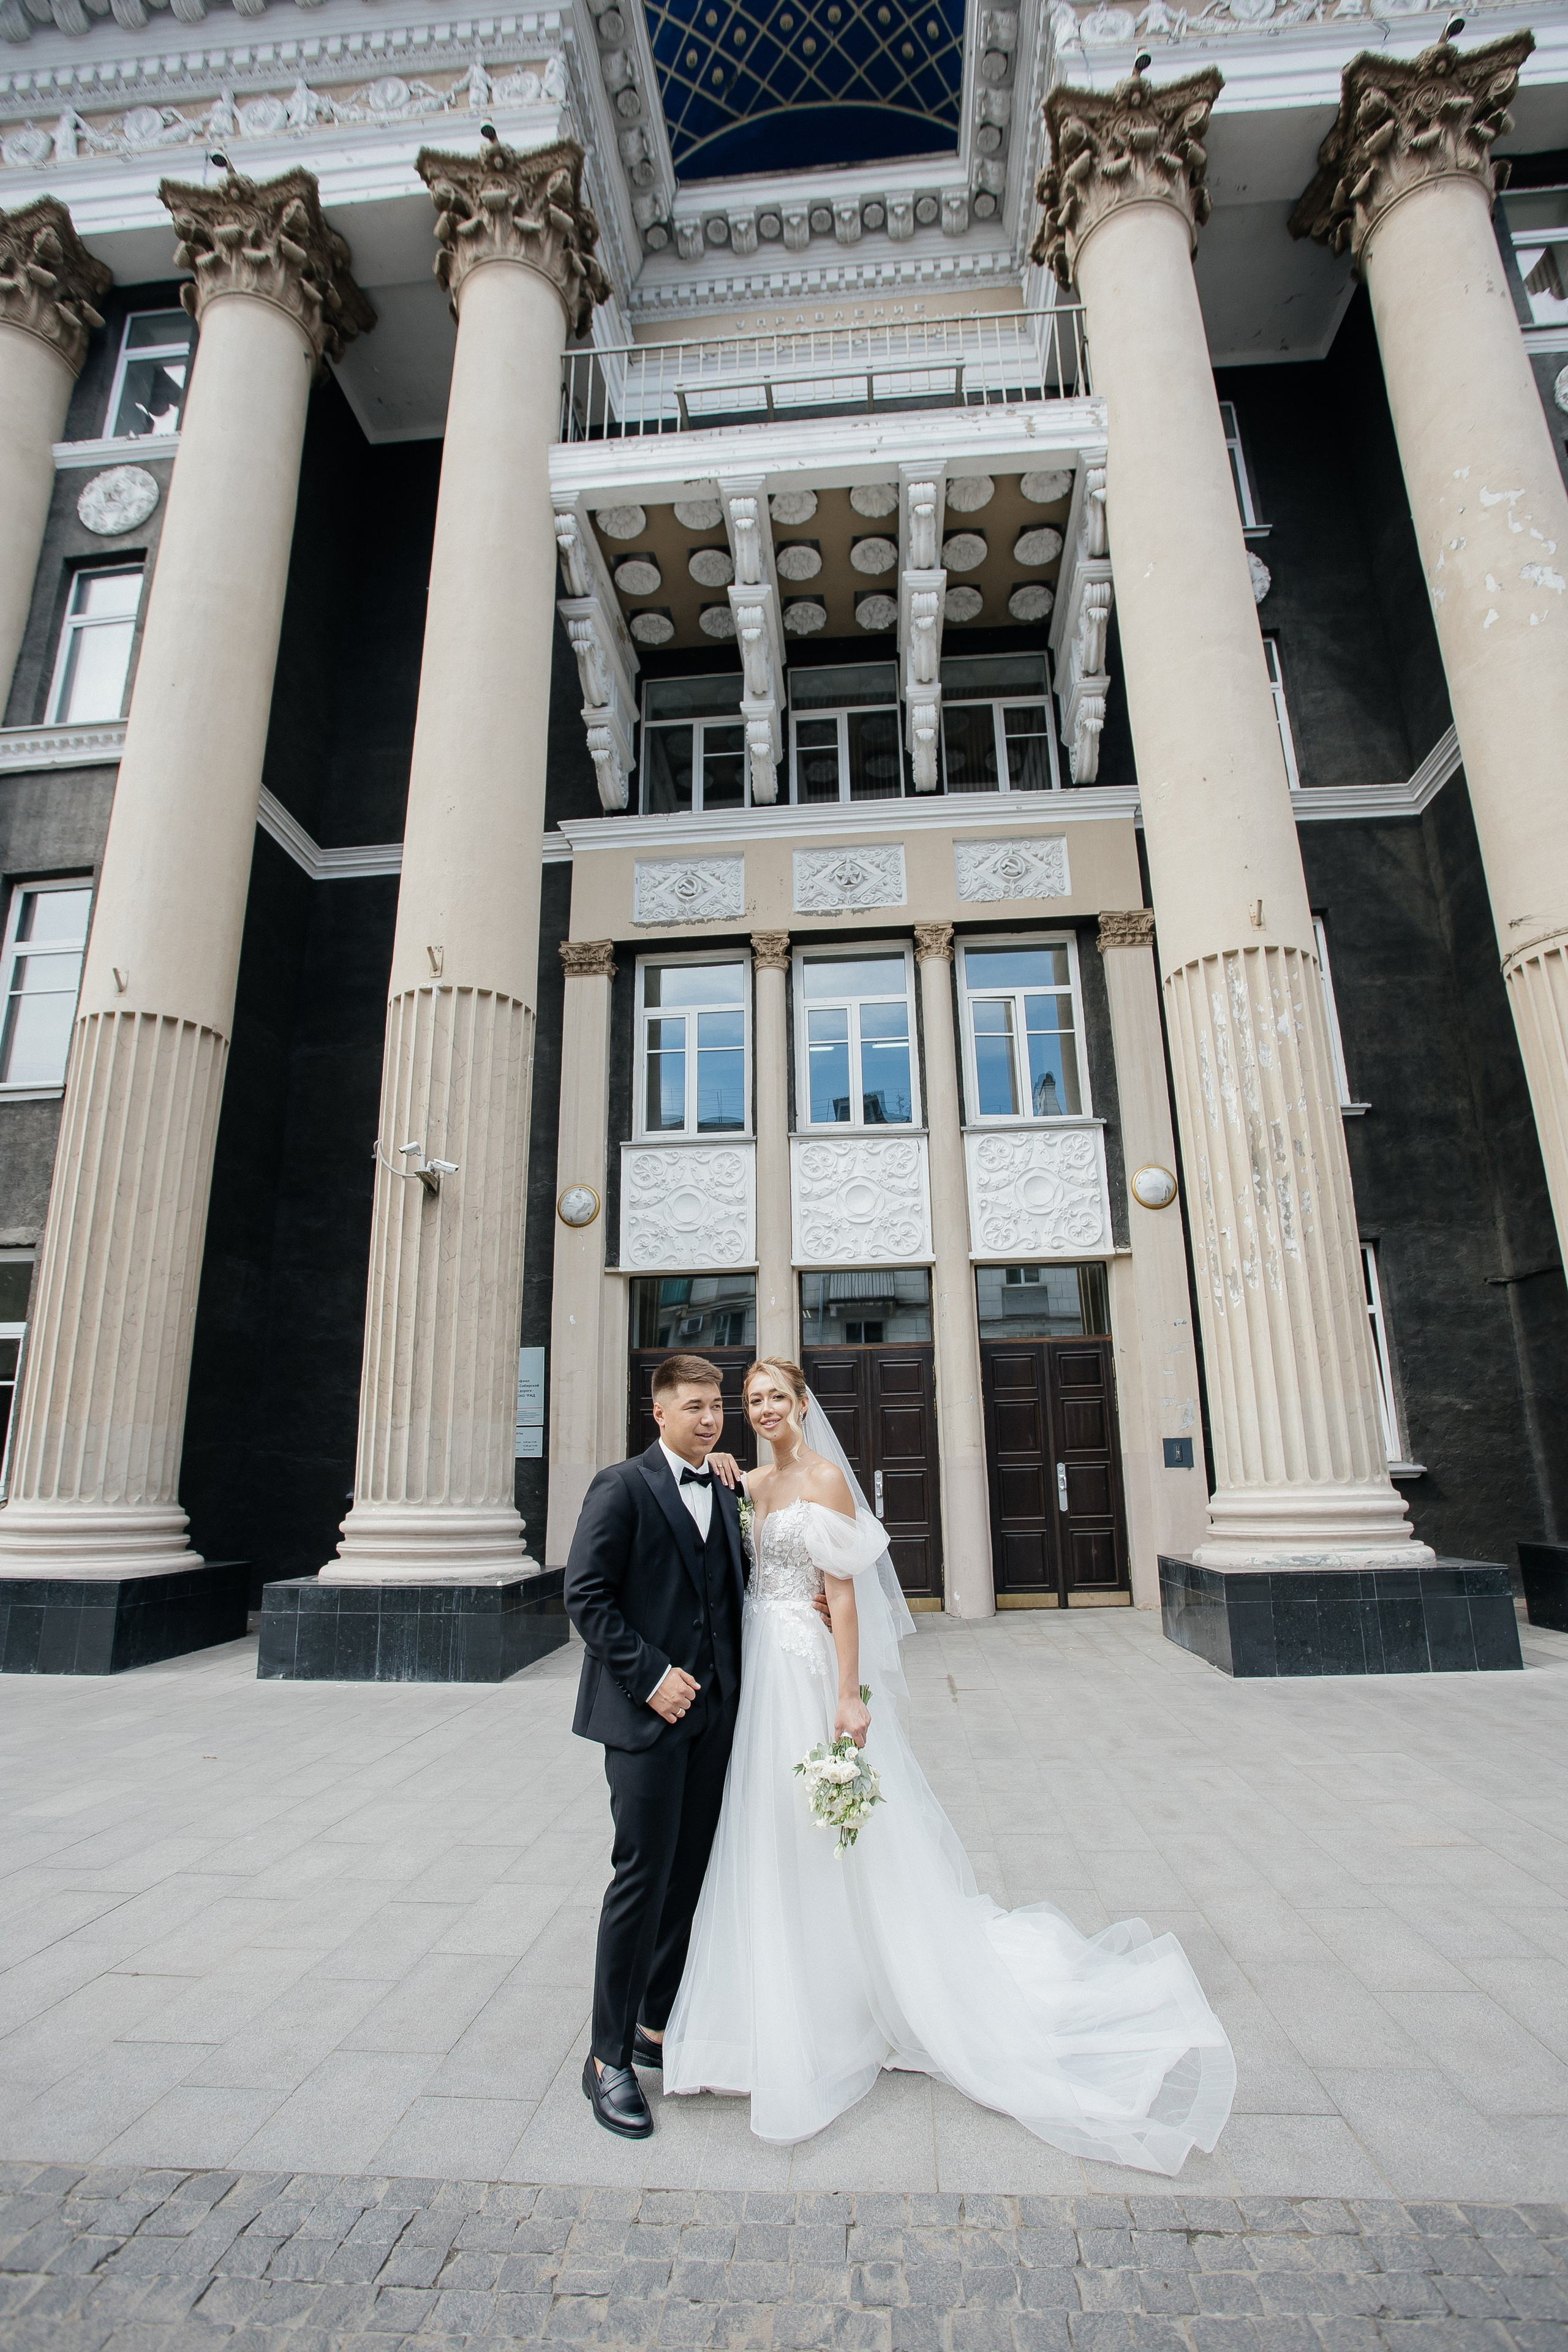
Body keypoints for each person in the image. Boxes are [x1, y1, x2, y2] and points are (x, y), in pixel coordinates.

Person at [660, 1356, 1237, 2174]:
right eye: (751, 1400)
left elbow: (847, 1594)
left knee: (825, 1830)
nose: (762, 1410)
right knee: (766, 1824)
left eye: (775, 1398)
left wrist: (851, 1697)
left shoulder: (824, 1481)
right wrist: (721, 1466)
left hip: (808, 1668)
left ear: (801, 1403)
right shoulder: (744, 1483)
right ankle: (777, 1993)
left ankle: (859, 1993)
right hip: (760, 1665)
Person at [562, 1353, 750, 2139]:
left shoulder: (727, 1484)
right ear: (659, 1412)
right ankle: (606, 2059)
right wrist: (652, 1677)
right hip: (647, 1719)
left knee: (691, 1874)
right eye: (694, 1406)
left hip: (715, 1722)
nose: (709, 1419)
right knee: (640, 1875)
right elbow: (587, 1596)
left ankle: (654, 2022)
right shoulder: (622, 1486)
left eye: (716, 1406)